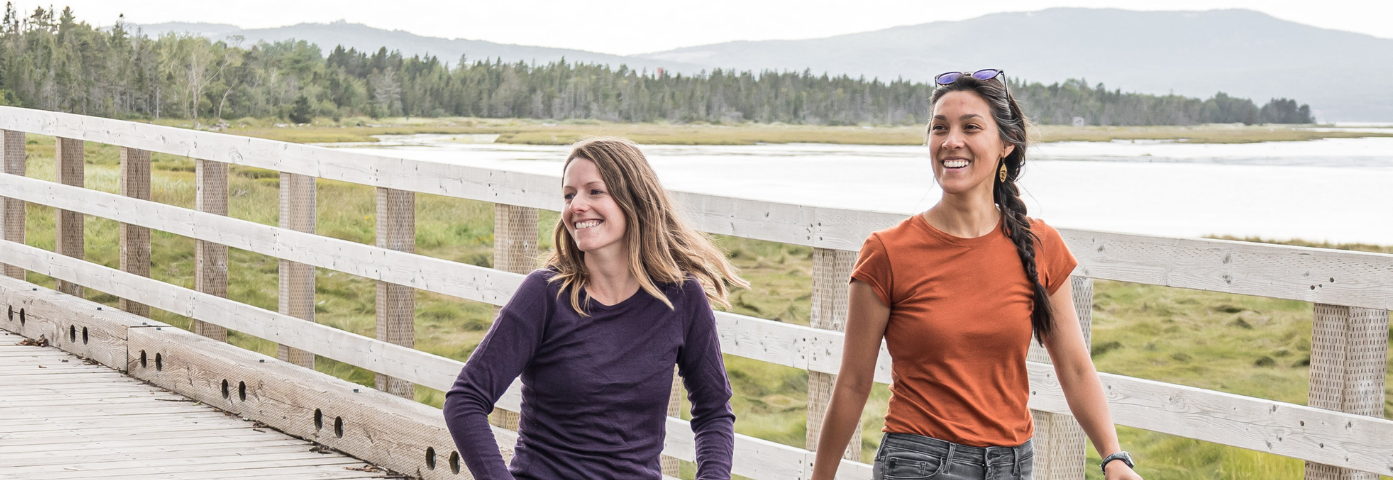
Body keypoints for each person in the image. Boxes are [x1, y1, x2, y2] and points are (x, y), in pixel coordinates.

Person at [809, 69, 1143, 480]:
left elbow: (1074, 367)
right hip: (921, 462)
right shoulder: (887, 252)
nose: (951, 141)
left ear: (1006, 144)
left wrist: (1113, 457)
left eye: (971, 127)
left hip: (1014, 464)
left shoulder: (1040, 245)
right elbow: (853, 384)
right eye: (939, 128)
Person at [444, 138, 744, 479]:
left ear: (634, 200)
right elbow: (465, 401)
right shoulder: (545, 294)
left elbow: (714, 412)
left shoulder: (682, 297)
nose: (577, 206)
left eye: (594, 192)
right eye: (569, 195)